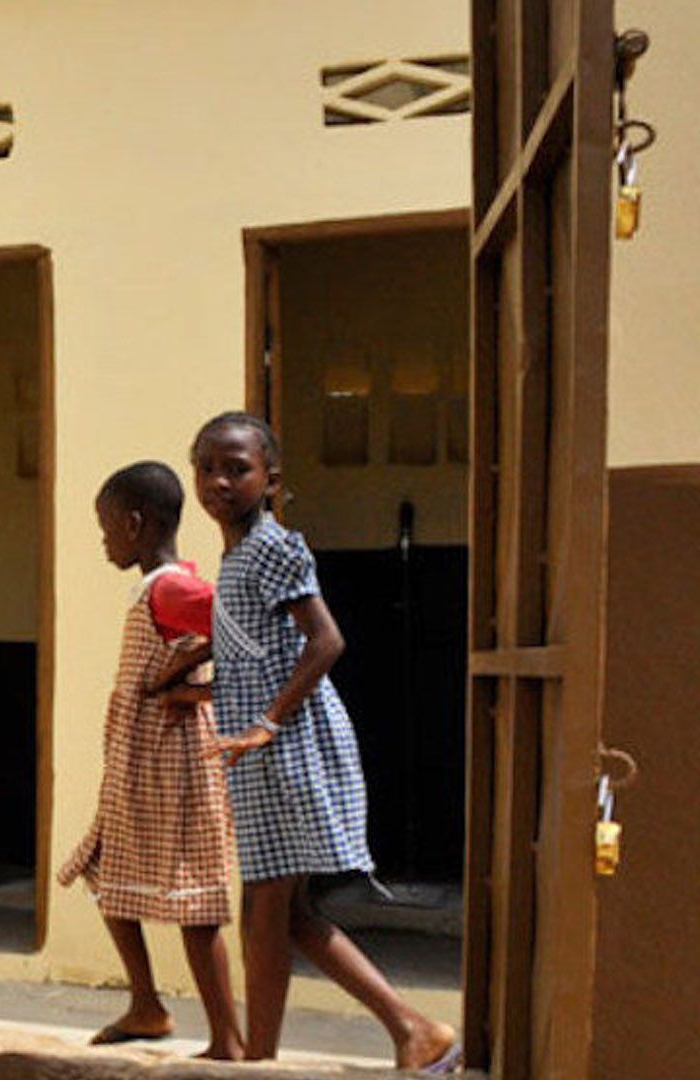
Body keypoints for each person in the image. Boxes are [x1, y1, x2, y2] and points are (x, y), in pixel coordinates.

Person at [191, 411, 458, 1073]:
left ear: (271, 479)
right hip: (258, 747)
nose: (220, 480)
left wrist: (268, 722)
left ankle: (397, 1031)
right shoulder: (239, 554)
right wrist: (203, 694)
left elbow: (326, 640)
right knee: (284, 912)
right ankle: (405, 1032)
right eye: (207, 467)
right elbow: (260, 656)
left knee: (268, 906)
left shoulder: (273, 545)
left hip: (284, 747)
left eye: (238, 468)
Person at [57, 461, 242, 1060]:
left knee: (195, 903)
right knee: (104, 867)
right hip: (139, 761)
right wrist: (184, 672)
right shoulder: (155, 588)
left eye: (107, 528)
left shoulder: (171, 588)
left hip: (175, 763)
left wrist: (194, 686)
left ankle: (227, 1040)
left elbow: (249, 628)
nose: (104, 540)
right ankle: (146, 1005)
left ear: (135, 525)